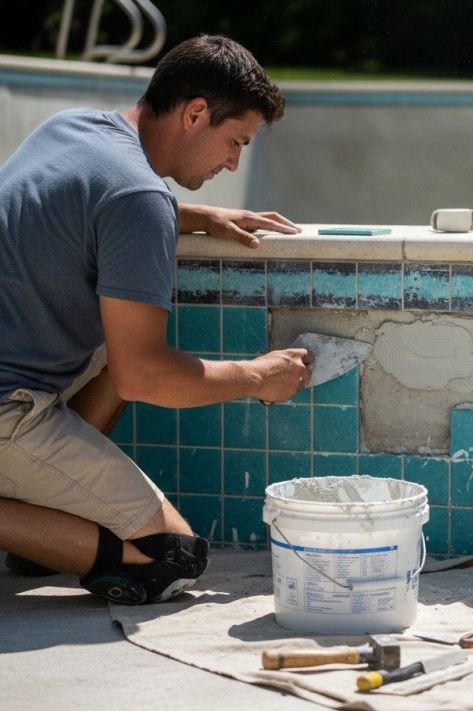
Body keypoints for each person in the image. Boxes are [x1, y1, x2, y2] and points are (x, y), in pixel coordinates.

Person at [0, 34, 314, 605]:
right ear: (195, 113)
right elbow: (140, 377)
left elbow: (96, 199)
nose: (233, 162)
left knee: (114, 338)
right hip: (5, 410)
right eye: (235, 141)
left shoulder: (72, 129)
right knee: (169, 559)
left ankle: (41, 527)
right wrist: (257, 377)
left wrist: (193, 214)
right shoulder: (138, 199)